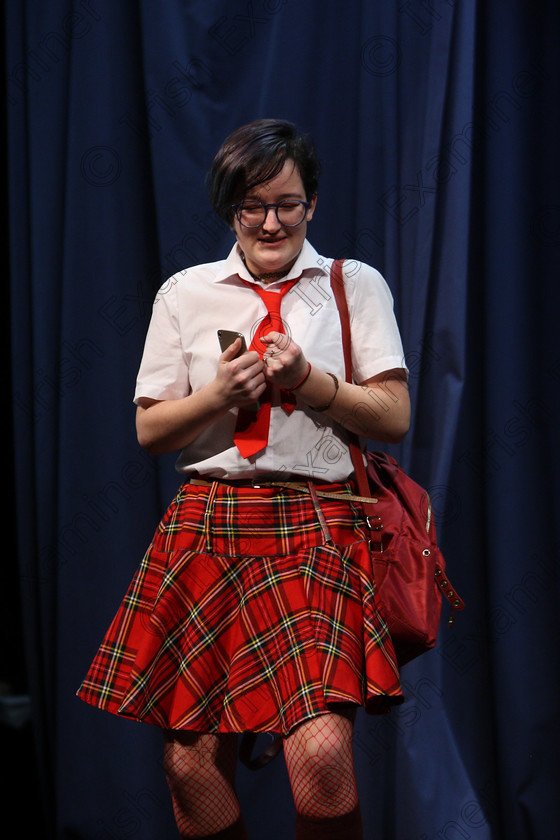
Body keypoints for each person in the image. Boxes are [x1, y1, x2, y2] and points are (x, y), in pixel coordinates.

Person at [77, 118, 411, 840]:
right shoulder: (186, 293)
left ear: (312, 203)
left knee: (321, 761)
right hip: (208, 527)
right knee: (188, 766)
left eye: (286, 204)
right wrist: (219, 397)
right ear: (232, 210)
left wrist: (311, 381)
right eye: (251, 207)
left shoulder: (352, 286)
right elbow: (149, 429)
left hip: (315, 526)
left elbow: (393, 415)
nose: (270, 222)